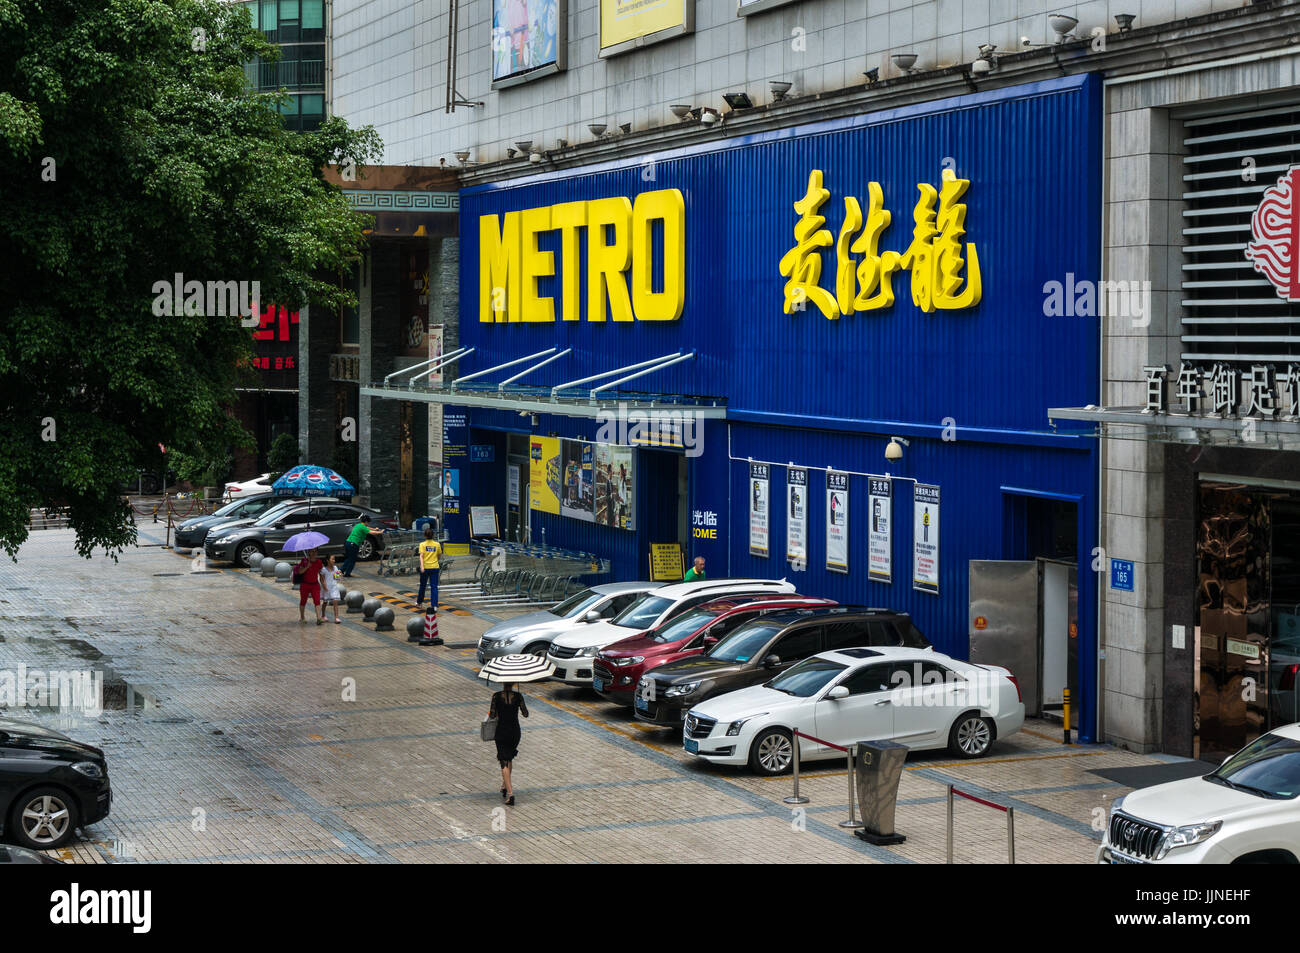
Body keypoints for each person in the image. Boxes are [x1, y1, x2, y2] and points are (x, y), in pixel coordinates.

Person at [490, 683, 528, 806]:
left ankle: (511, 794)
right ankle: (505, 785)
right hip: (515, 732)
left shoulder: (496, 696)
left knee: (504, 761)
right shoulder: (518, 696)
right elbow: (526, 714)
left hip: (501, 731)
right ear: (512, 683)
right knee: (509, 757)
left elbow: (492, 715)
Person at [294, 548, 325, 624]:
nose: (314, 553)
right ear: (309, 552)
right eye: (312, 551)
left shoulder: (319, 562)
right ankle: (302, 617)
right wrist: (307, 567)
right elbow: (300, 572)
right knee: (303, 601)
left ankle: (318, 618)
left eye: (315, 551)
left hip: (315, 585)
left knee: (317, 601)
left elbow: (321, 574)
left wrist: (323, 584)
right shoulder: (304, 561)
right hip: (305, 584)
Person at [416, 524, 442, 608]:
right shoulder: (437, 544)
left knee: (422, 585)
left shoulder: (422, 544)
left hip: (426, 568)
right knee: (434, 587)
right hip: (435, 567)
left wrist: (422, 567)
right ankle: (434, 605)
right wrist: (435, 561)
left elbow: (421, 556)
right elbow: (439, 555)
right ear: (433, 535)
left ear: (425, 535)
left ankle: (419, 602)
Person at [319, 554, 342, 624]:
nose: (334, 561)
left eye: (334, 559)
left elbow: (337, 578)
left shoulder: (335, 568)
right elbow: (322, 580)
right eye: (332, 559)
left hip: (334, 587)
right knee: (325, 602)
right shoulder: (323, 570)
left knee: (335, 601)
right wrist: (324, 587)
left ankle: (336, 617)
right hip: (327, 588)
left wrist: (339, 574)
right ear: (328, 560)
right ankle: (323, 615)